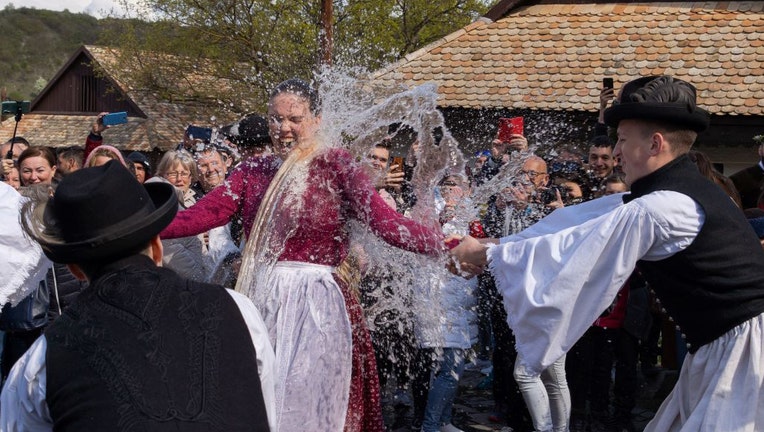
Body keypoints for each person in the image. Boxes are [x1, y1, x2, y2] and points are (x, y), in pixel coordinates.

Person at [450, 75, 764, 430]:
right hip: (721, 345)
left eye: (623, 140)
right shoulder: (666, 195)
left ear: (655, 144)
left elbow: (577, 249)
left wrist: (487, 255)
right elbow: (573, 223)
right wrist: (496, 247)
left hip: (744, 352)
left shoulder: (660, 207)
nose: (615, 152)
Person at [160, 78, 445, 432]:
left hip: (320, 306)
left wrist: (444, 244)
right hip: (263, 301)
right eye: (275, 119)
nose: (283, 128)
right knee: (263, 402)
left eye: (294, 118)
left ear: (317, 119)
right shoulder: (252, 171)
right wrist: (136, 225)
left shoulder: (337, 165)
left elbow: (386, 224)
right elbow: (199, 217)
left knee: (314, 405)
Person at [1, 161, 276, 431]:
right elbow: (265, 412)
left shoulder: (40, 361)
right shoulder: (238, 311)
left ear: (75, 270)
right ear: (158, 248)